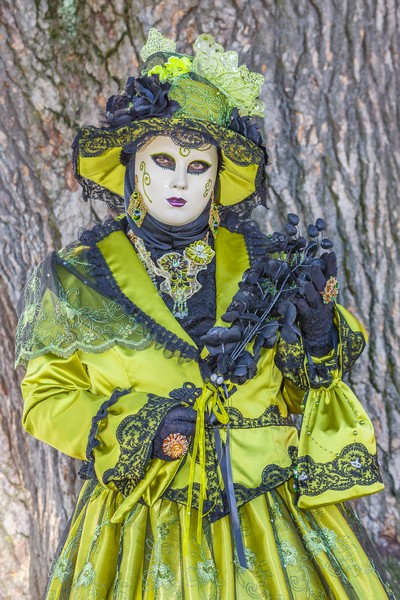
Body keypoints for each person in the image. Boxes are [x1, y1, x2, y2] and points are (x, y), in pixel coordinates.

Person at [16, 29, 395, 599]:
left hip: (270, 520)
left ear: (218, 179)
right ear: (131, 168)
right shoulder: (78, 277)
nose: (177, 180)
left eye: (198, 167)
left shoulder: (267, 263)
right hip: (141, 524)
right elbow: (45, 401)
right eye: (162, 161)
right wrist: (136, 427)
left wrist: (317, 339)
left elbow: (298, 395)